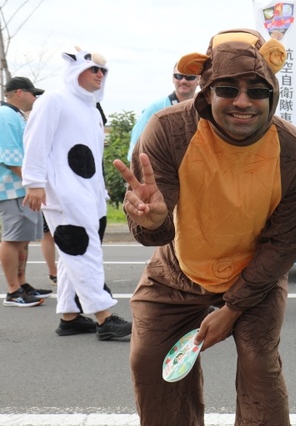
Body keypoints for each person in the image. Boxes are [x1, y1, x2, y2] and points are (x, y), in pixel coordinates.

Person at [108, 28, 296, 426]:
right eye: (228, 89)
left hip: (253, 276)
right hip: (178, 267)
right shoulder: (168, 132)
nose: (243, 102)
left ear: (272, 93)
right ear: (206, 91)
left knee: (257, 366)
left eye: (257, 89)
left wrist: (232, 307)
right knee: (147, 356)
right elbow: (153, 224)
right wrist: (150, 218)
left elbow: (282, 246)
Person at [21, 50, 132, 340]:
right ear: (76, 69)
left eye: (103, 71)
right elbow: (35, 140)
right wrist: (33, 182)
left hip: (90, 192)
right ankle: (104, 316)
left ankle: (69, 316)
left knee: (76, 251)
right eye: (93, 68)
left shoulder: (91, 108)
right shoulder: (53, 100)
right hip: (64, 191)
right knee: (82, 249)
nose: (100, 74)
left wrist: (100, 190)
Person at [1, 77, 52, 307]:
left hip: (20, 187)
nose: (35, 98)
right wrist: (34, 182)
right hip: (12, 187)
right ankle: (13, 290)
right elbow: (10, 158)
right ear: (20, 92)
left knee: (22, 239)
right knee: (13, 239)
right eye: (33, 94)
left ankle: (21, 284)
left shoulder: (14, 115)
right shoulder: (5, 116)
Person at [127, 64, 200, 158]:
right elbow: (136, 141)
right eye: (178, 76)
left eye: (189, 77)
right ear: (173, 79)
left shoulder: (202, 109)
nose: (183, 81)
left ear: (198, 80)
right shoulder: (156, 108)